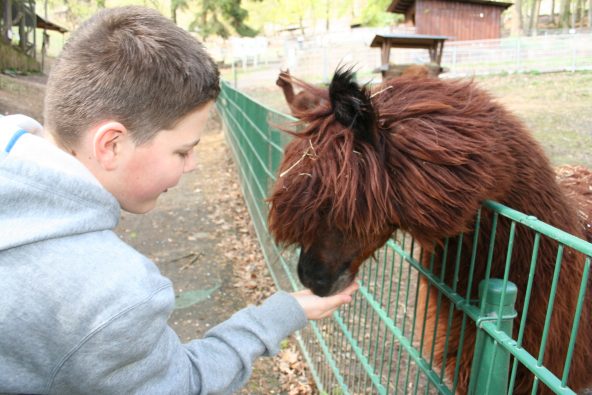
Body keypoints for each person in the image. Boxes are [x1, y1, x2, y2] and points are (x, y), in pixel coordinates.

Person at [0, 6, 358, 395]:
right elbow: (182, 384)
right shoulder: (113, 294)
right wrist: (278, 316)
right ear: (111, 145)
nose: (191, 165)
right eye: (183, 151)